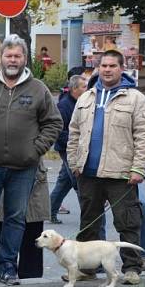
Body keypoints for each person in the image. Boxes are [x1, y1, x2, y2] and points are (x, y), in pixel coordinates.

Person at [0, 34, 62, 287]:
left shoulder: (38, 89)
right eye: (9, 55)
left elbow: (54, 123)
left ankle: (7, 267)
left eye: (17, 55)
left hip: (23, 168)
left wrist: (35, 150)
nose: (13, 60)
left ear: (25, 58)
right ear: (1, 58)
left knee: (15, 218)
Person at [67, 49, 145, 285]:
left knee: (127, 223)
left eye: (112, 66)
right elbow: (73, 132)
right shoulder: (86, 97)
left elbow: (144, 136)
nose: (107, 70)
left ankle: (132, 268)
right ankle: (87, 269)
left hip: (121, 174)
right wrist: (74, 163)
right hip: (88, 173)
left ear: (121, 69)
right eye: (103, 66)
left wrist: (138, 168)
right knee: (89, 224)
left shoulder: (136, 98)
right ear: (98, 68)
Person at [49, 75, 88, 224]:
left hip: (77, 148)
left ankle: (50, 211)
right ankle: (88, 216)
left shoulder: (82, 102)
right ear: (74, 89)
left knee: (64, 182)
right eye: (84, 87)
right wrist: (76, 143)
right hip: (68, 149)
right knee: (79, 183)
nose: (87, 89)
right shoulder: (64, 105)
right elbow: (59, 131)